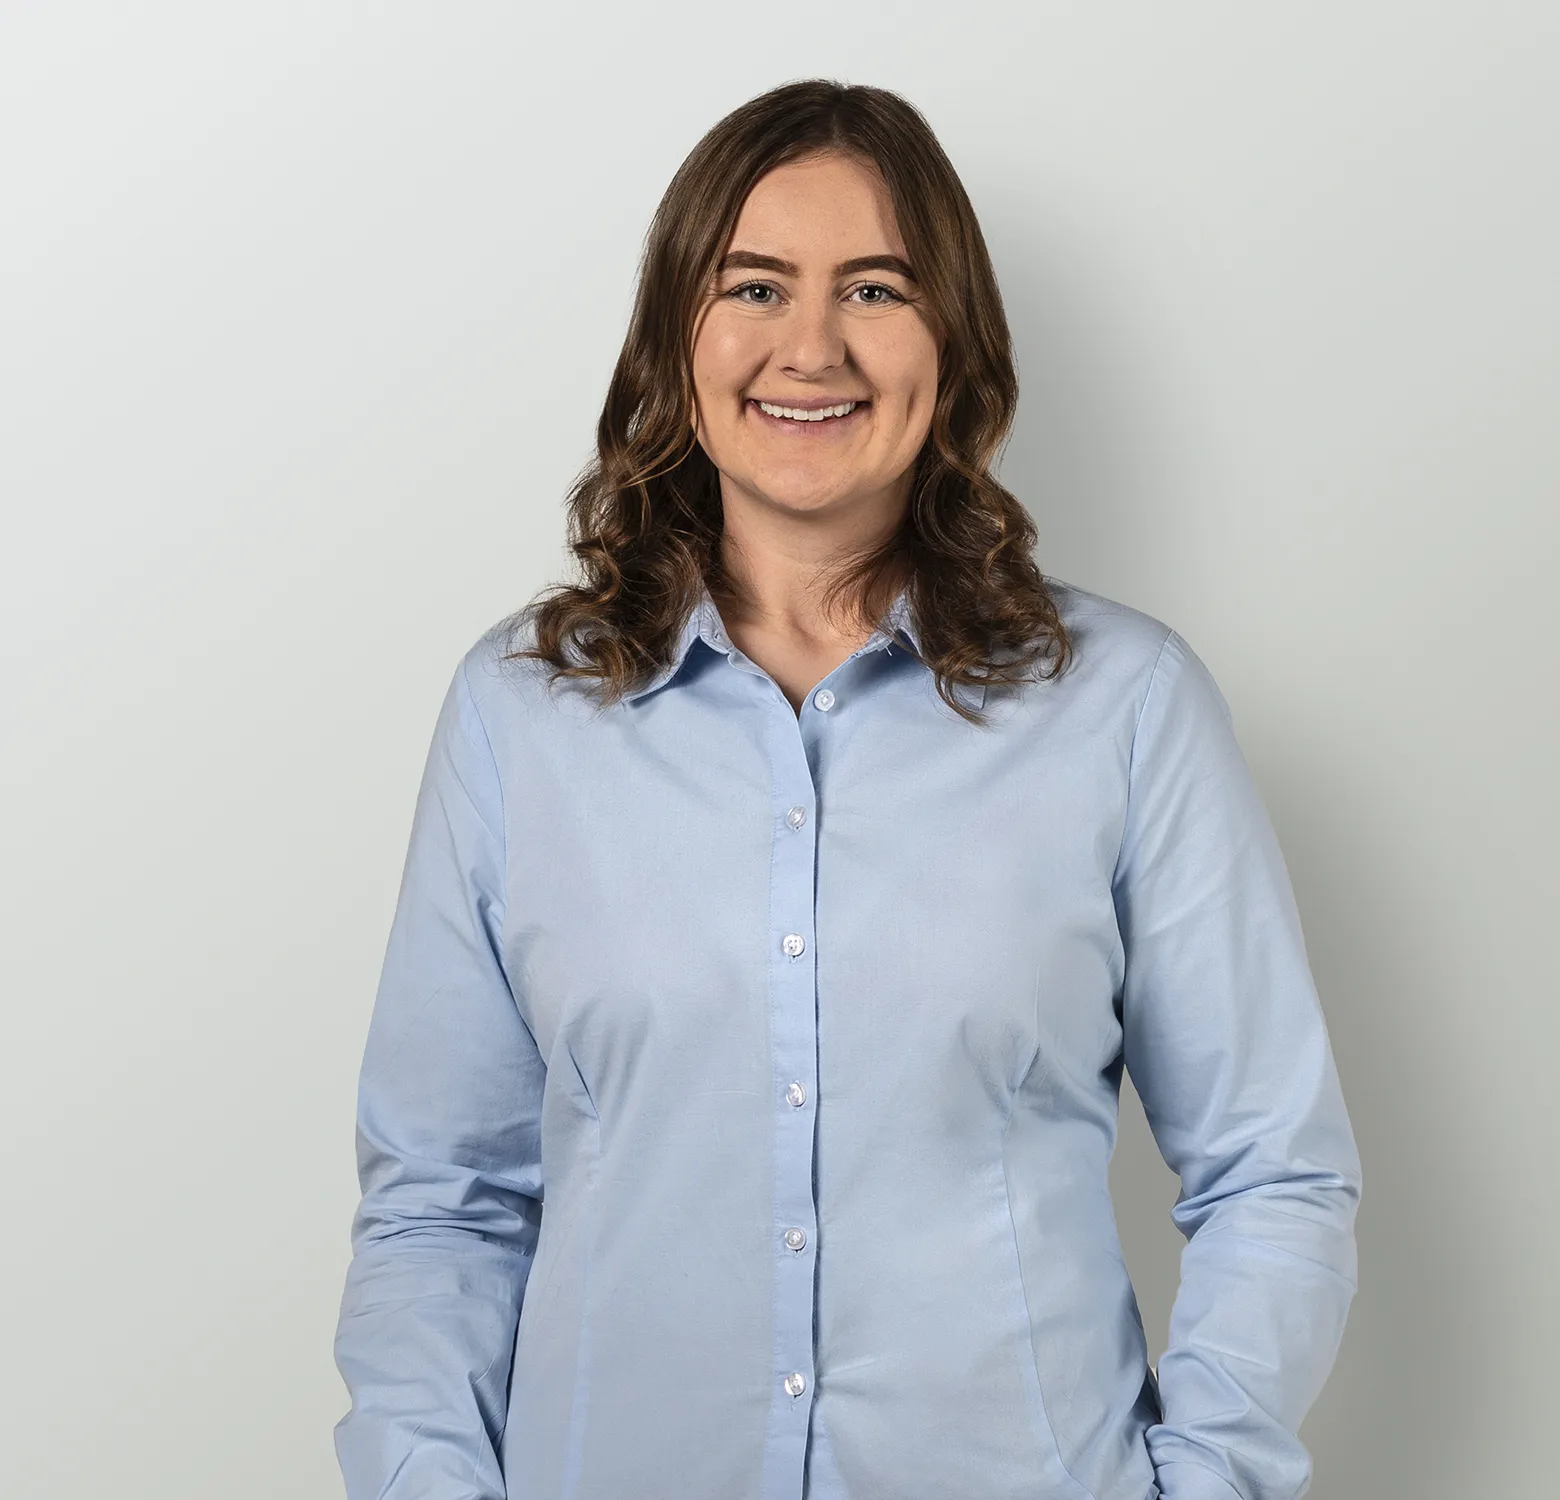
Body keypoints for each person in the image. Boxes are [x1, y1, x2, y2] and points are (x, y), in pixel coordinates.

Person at [330, 78, 1362, 1500]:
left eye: (876, 289)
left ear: (955, 342)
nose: (810, 346)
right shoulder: (519, 718)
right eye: (754, 286)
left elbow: (1273, 1178)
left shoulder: (1129, 709)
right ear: (676, 337)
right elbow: (443, 1205)